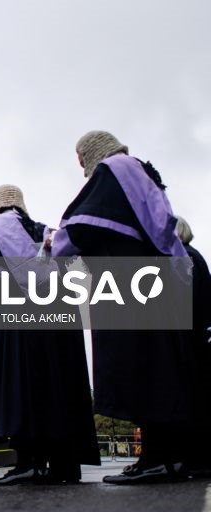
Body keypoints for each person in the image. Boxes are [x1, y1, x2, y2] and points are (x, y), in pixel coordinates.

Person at [51, 130, 193, 484]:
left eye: (82, 157)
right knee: (156, 367)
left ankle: (156, 459)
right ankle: (164, 458)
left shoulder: (114, 169)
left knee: (140, 367)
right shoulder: (139, 170)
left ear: (93, 152)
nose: (82, 166)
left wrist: (56, 241)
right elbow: (162, 227)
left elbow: (80, 223)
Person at [0, 185, 99, 485]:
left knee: (21, 388)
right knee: (55, 389)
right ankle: (65, 465)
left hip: (17, 322)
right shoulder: (44, 230)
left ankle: (29, 462)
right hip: (58, 323)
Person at [174, 217, 211, 475]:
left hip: (191, 341)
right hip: (199, 338)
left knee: (193, 402)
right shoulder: (194, 256)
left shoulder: (184, 258)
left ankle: (197, 461)